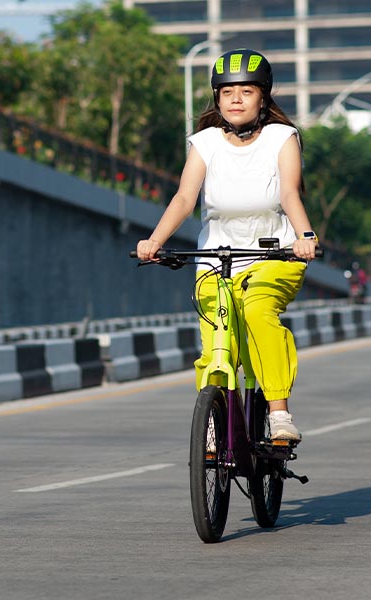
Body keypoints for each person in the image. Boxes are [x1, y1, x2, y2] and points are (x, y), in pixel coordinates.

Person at [135, 49, 318, 441]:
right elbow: (185, 198)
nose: (236, 99)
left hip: (275, 255)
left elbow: (289, 192)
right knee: (217, 340)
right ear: (217, 98)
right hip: (217, 259)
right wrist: (154, 241)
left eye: (246, 91)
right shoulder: (204, 143)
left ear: (263, 97)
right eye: (227, 91)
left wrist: (305, 237)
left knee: (256, 313)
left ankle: (279, 413)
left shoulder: (281, 138)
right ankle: (216, 421)